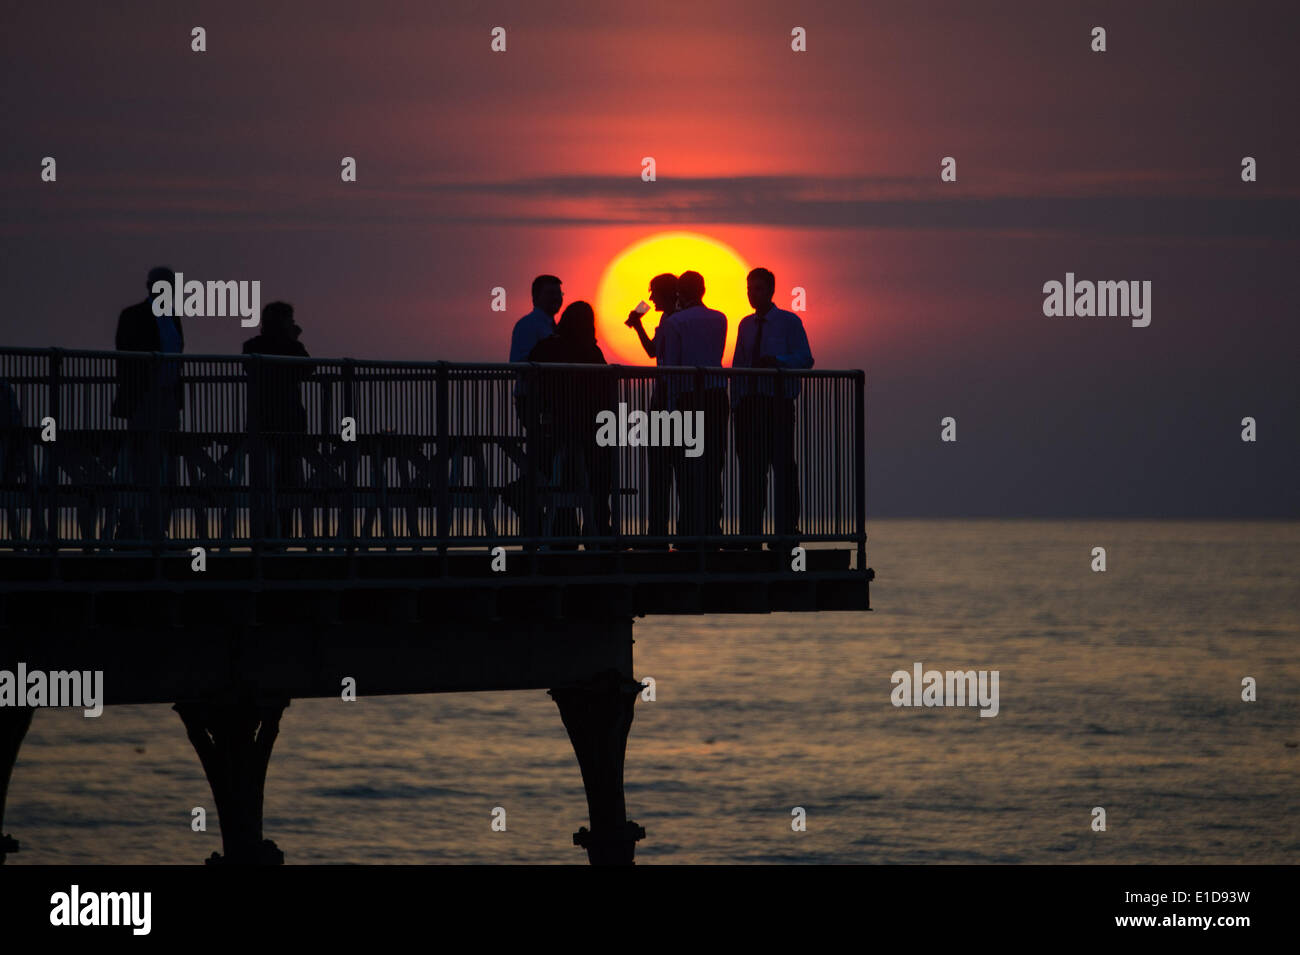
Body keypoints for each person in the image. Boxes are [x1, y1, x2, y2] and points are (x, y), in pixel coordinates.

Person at [730, 267, 813, 548]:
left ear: (771, 291)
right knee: (752, 471)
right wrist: (737, 402)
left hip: (777, 403)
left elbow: (805, 358)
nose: (753, 294)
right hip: (750, 406)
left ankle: (787, 533)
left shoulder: (789, 322)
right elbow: (738, 364)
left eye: (759, 289)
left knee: (783, 468)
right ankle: (751, 534)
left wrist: (777, 361)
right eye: (750, 288)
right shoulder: (745, 324)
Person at [528, 301, 615, 545]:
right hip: (590, 427)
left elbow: (530, 375)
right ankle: (599, 532)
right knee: (598, 479)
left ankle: (563, 532)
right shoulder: (591, 351)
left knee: (560, 479)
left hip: (554, 426)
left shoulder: (546, 348)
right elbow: (604, 387)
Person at [112, 267, 184, 544]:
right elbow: (125, 355)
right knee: (141, 464)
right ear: (150, 287)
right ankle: (132, 526)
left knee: (166, 465)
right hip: (143, 398)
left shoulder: (173, 317)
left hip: (167, 398)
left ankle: (157, 527)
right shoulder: (133, 315)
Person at [656, 270, 728, 546]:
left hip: (687, 398)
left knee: (687, 465)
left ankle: (687, 529)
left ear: (680, 293)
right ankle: (712, 525)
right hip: (716, 395)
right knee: (713, 463)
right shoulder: (720, 319)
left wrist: (672, 405)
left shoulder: (676, 322)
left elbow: (673, 366)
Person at [243, 302, 313, 544]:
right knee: (287, 483)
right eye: (289, 319)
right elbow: (306, 369)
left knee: (267, 482)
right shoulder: (289, 347)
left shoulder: (252, 346)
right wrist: (293, 341)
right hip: (286, 423)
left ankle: (267, 537)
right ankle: (282, 536)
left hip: (262, 422)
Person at [625, 273, 678, 544]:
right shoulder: (667, 318)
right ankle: (660, 530)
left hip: (668, 398)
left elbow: (652, 352)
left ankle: (658, 532)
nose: (650, 297)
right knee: (663, 467)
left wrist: (638, 326)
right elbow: (653, 351)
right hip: (666, 398)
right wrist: (639, 327)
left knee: (662, 467)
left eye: (654, 291)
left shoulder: (674, 320)